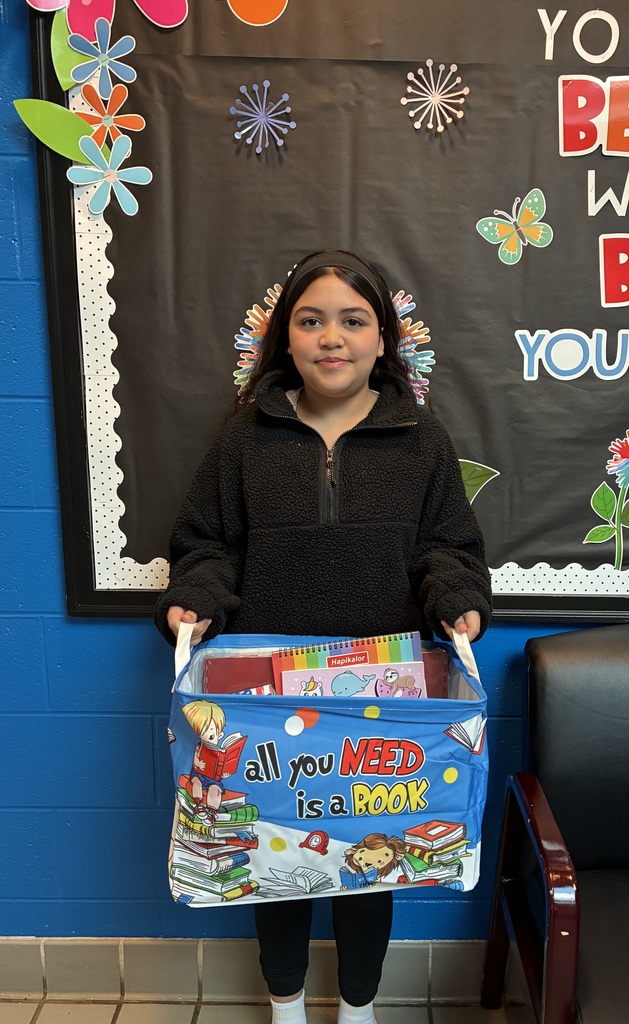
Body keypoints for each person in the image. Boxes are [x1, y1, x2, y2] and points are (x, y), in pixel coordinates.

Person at [155, 249, 492, 1024]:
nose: (331, 338)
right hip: (265, 692)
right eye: (311, 321)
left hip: (383, 692)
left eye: (352, 320)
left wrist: (455, 594)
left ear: (383, 340)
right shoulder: (246, 441)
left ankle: (361, 1008)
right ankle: (286, 1004)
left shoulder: (421, 440)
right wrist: (196, 597)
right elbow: (206, 542)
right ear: (286, 338)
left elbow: (450, 547)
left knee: (373, 859)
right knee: (271, 858)